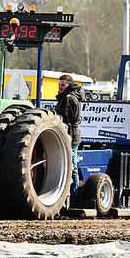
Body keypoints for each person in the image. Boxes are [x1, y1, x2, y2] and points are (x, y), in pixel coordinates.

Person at [54, 74, 83, 202]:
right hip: (72, 135)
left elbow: (65, 120)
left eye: (63, 85)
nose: (60, 87)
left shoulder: (69, 98)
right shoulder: (68, 96)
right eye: (59, 85)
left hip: (70, 136)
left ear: (69, 85)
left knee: (72, 166)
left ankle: (74, 197)